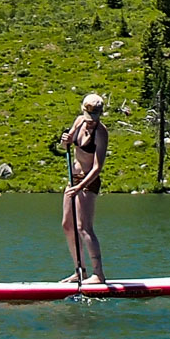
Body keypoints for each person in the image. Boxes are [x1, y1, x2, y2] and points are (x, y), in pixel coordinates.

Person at [60, 93, 108, 284]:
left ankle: (99, 274)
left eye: (94, 119)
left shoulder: (101, 133)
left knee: (84, 227)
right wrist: (65, 140)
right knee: (67, 225)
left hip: (88, 182)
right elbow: (67, 143)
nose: (90, 122)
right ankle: (80, 271)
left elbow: (97, 167)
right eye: (89, 118)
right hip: (74, 179)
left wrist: (80, 186)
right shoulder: (79, 121)